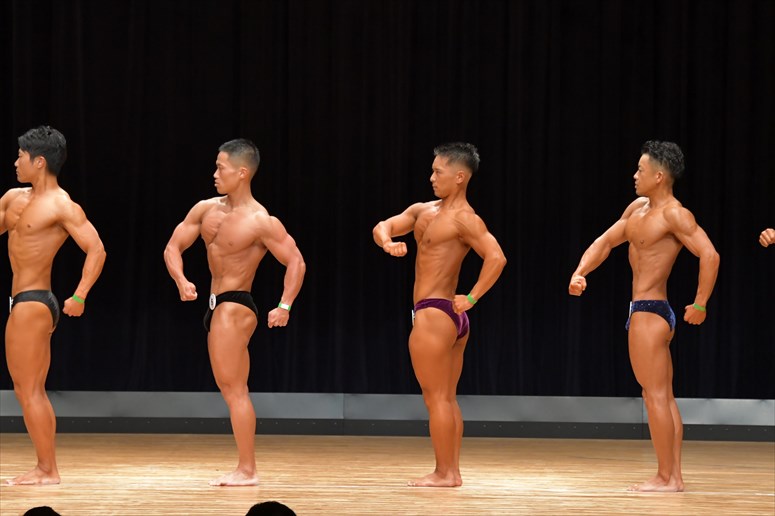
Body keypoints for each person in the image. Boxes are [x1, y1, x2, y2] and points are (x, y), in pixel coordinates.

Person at [568, 140, 719, 492]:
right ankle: (673, 477)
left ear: (659, 176)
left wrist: (700, 303)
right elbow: (605, 241)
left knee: (654, 397)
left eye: (641, 170)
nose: (635, 175)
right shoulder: (637, 209)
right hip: (648, 311)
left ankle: (666, 477)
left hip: (650, 312)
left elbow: (709, 255)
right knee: (663, 396)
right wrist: (580, 271)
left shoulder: (674, 214)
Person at [164, 138, 305, 486]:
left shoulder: (260, 221)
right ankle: (246, 468)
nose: (214, 174)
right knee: (231, 389)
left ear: (242, 173)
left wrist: (284, 305)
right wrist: (181, 279)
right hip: (215, 305)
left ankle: (247, 469)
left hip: (235, 304)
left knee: (234, 389)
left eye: (220, 168)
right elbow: (173, 246)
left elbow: (296, 262)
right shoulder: (205, 209)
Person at [373, 142, 507, 487]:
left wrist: (473, 297)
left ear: (459, 177)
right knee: (446, 399)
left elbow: (496, 258)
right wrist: (388, 242)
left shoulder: (465, 219)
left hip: (435, 313)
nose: (431, 177)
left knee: (436, 400)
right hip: (447, 316)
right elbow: (383, 225)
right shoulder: (423, 210)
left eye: (438, 172)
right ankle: (452, 472)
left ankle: (444, 472)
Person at [1, 126, 106, 485]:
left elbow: (96, 249)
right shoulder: (12, 198)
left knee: (29, 390)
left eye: (20, 156)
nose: (16, 162)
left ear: (39, 161)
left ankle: (47, 470)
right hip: (22, 301)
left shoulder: (62, 205)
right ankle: (45, 467)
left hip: (33, 302)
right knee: (27, 390)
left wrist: (79, 295)